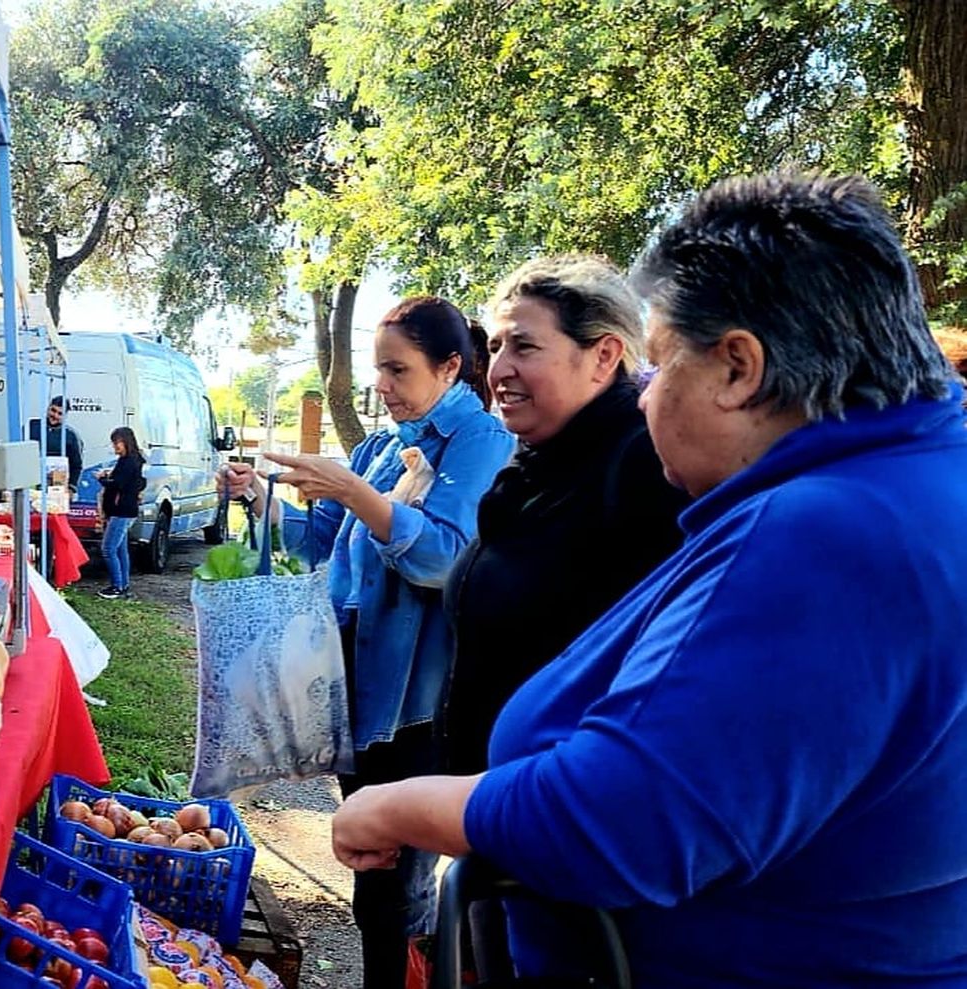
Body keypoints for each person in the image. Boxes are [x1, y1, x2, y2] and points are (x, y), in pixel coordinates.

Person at [331, 173, 967, 987]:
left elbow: (620, 822)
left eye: (660, 366)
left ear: (738, 367)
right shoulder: (909, 487)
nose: (647, 392)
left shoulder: (829, 532)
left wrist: (400, 806)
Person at [221, 296, 516, 989]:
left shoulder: (481, 442)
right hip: (358, 693)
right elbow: (326, 552)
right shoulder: (382, 447)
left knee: (397, 889)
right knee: (370, 870)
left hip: (419, 705)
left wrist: (355, 493)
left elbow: (444, 558)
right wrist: (263, 502)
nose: (379, 385)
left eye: (396, 369)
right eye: (376, 368)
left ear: (450, 368)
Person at [445, 256, 688, 777]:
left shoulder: (644, 466)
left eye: (524, 346)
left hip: (559, 816)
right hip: (493, 804)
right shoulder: (538, 462)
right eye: (494, 347)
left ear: (603, 357)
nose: (498, 370)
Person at [97, 426, 146, 599]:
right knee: (120, 549)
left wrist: (102, 479)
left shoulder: (128, 462)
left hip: (121, 511)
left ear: (127, 442)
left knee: (108, 549)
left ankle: (117, 586)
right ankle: (123, 584)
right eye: (114, 443)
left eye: (118, 442)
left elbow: (118, 484)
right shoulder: (133, 461)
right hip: (127, 510)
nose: (115, 446)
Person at [29, 396, 84, 494]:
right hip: (31, 484)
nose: (55, 415)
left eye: (60, 413)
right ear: (48, 408)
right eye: (53, 410)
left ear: (65, 416)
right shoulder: (31, 427)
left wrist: (71, 488)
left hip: (57, 487)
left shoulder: (71, 435)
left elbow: (77, 465)